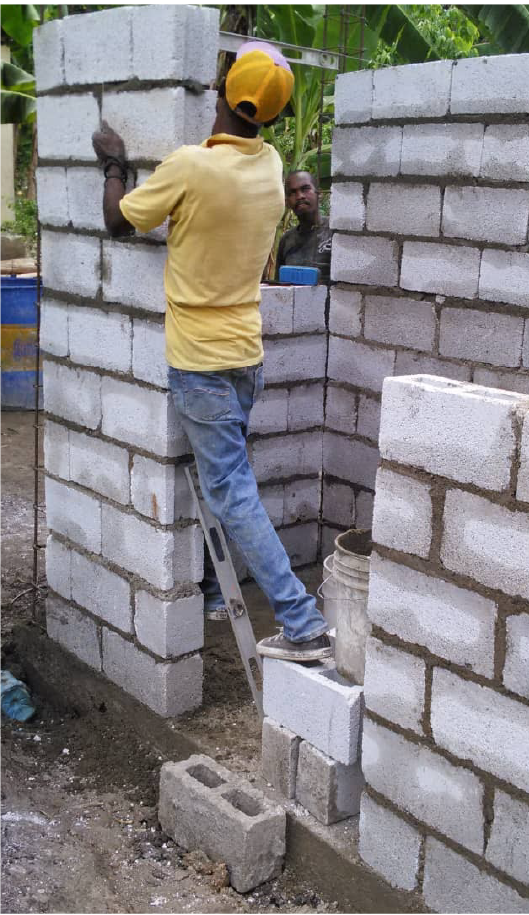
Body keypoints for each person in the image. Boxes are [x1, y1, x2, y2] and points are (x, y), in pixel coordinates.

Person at [91, 41, 331, 663]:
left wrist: (113, 164)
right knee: (232, 487)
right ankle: (218, 592)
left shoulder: (190, 167)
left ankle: (301, 621)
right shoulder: (273, 166)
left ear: (223, 90)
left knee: (230, 492)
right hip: (245, 353)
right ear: (271, 118)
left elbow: (119, 221)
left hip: (198, 359)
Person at [275, 171, 332, 283]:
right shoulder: (287, 241)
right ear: (287, 202)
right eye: (292, 192)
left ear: (319, 193)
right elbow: (281, 286)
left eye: (305, 189)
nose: (300, 196)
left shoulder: (336, 232)